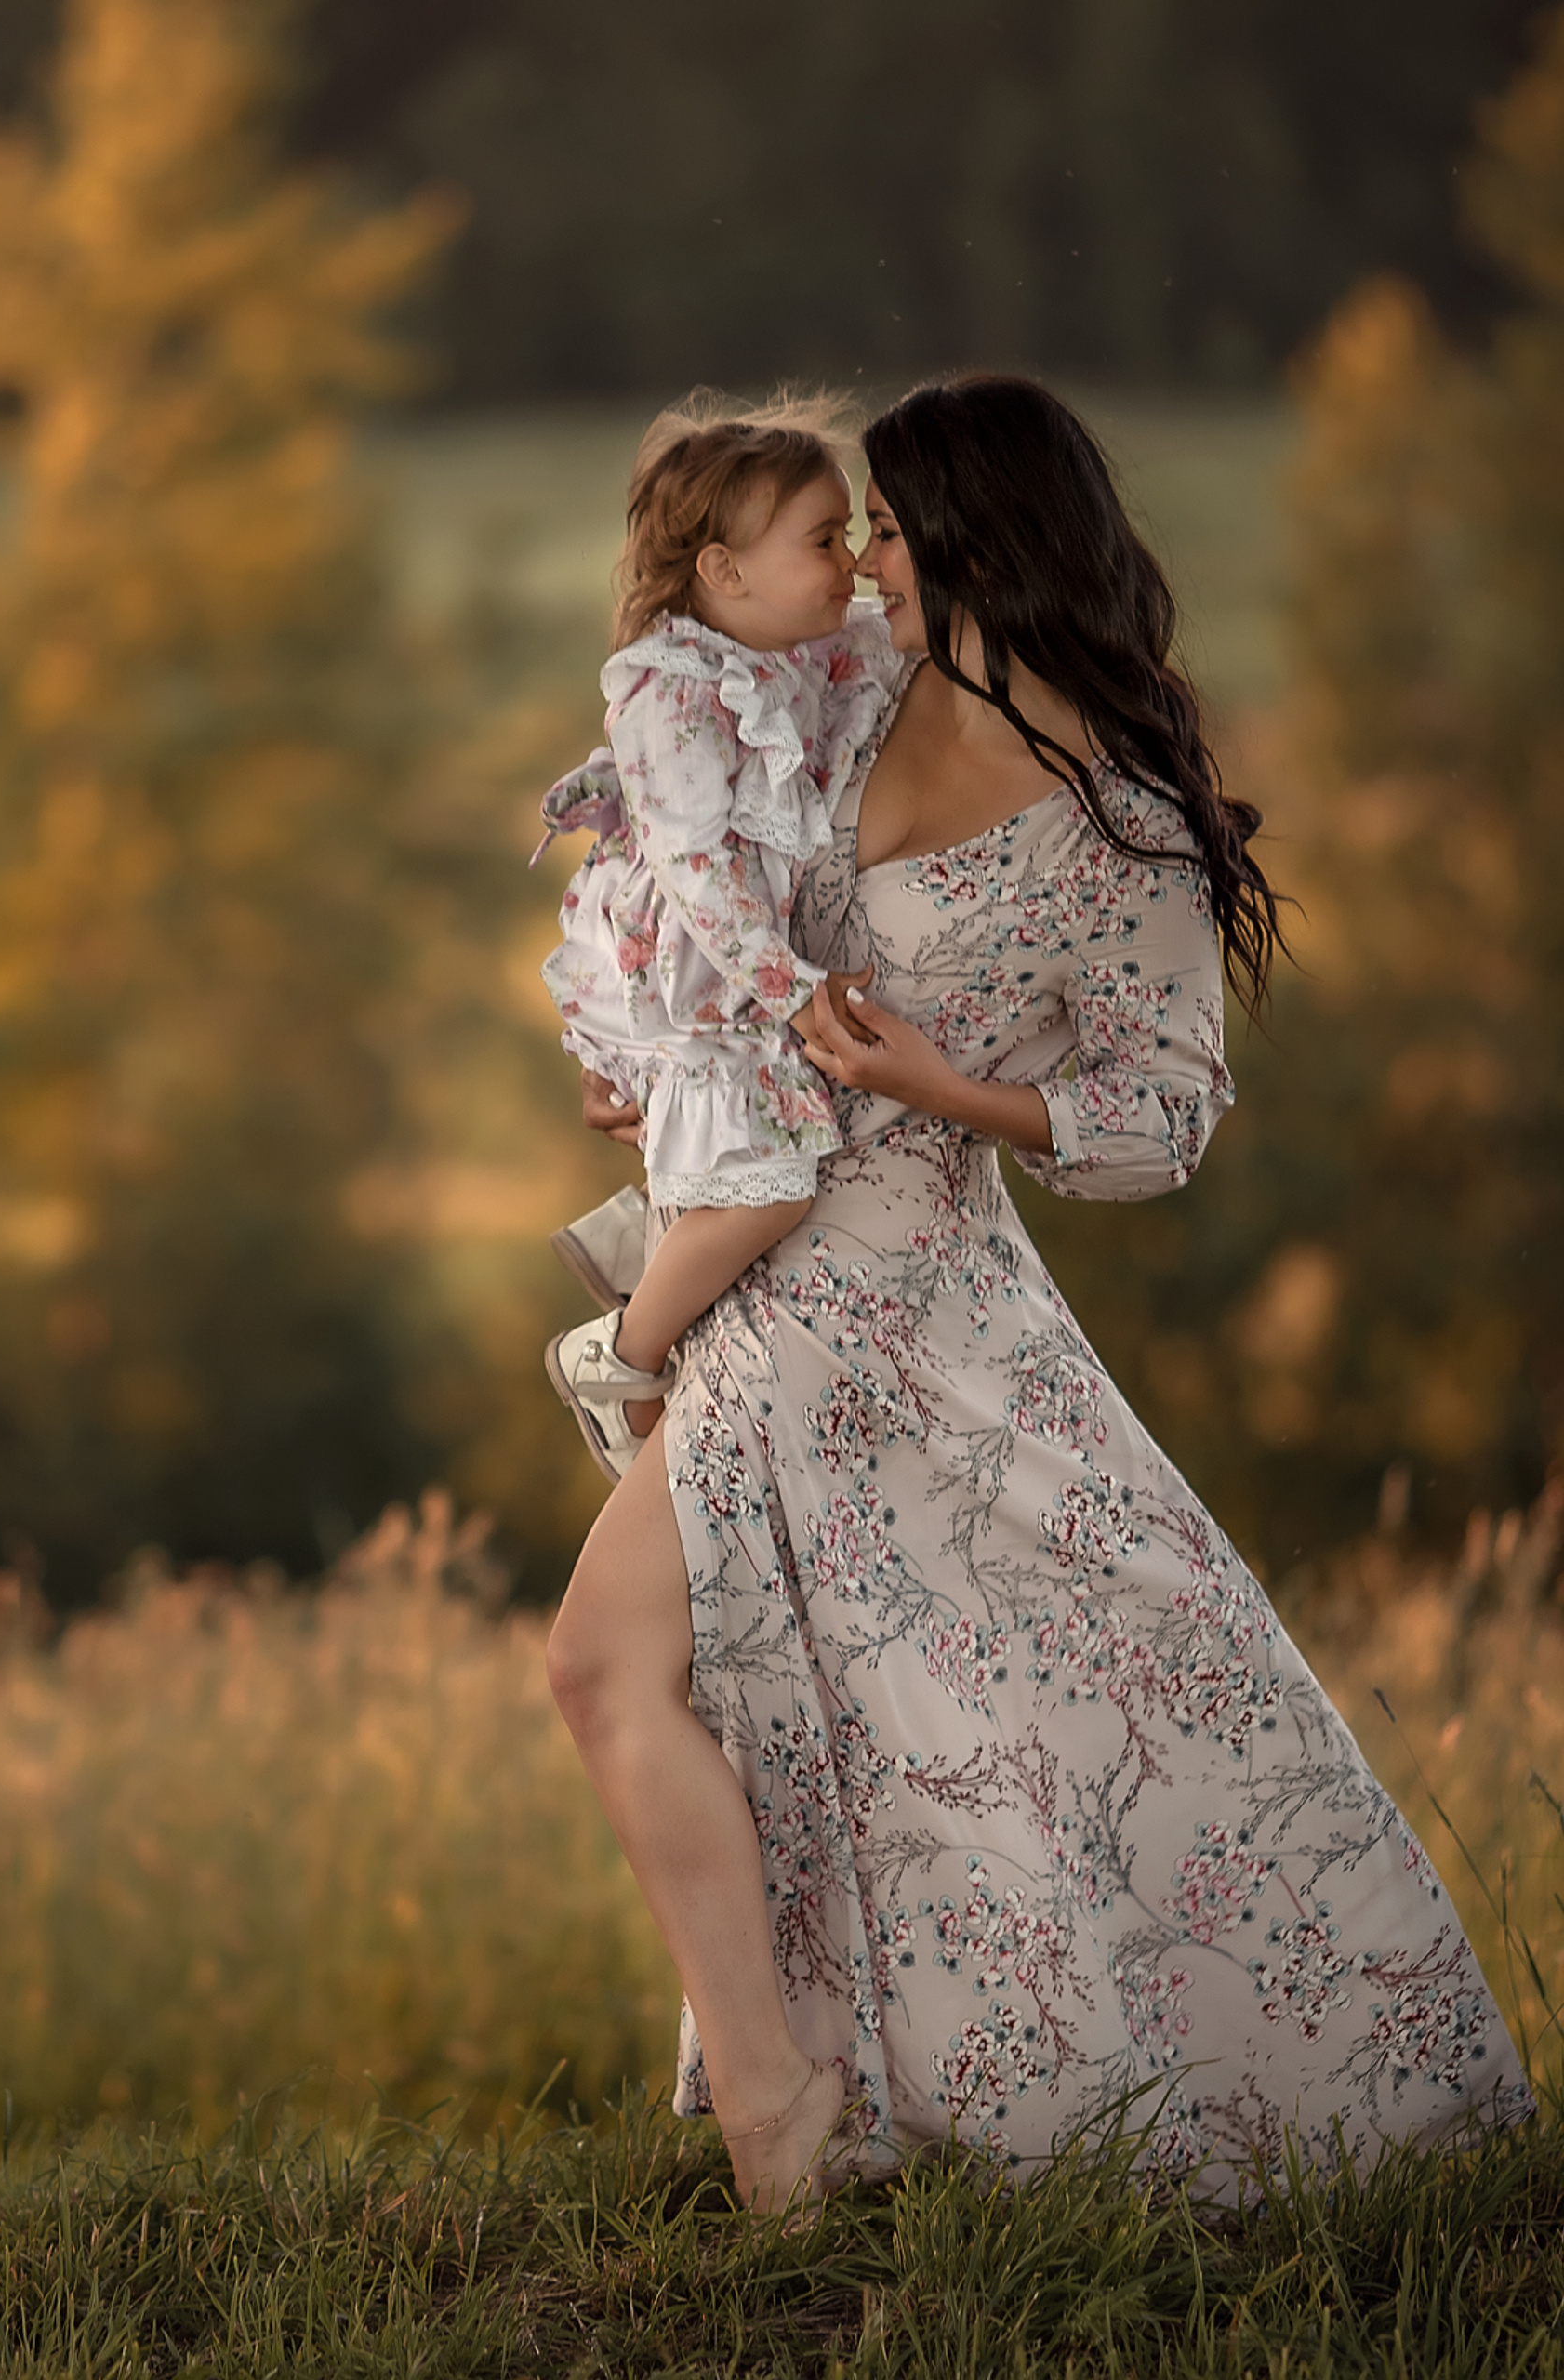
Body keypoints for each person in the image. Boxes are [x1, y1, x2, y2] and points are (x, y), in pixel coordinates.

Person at [546, 374, 1532, 2217]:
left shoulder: (1120, 825)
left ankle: (806, 2118)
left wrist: (944, 1086)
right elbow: (726, 908)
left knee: (928, 1710)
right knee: (749, 1691)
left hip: (910, 1293)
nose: (864, 566)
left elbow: (1156, 1120)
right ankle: (789, 2104)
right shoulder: (841, 704)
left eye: (895, 533)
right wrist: (660, 1049)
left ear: (980, 533)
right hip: (765, 1261)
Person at [537, 398, 901, 1479]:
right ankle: (619, 1352)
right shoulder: (669, 691)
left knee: (755, 1154)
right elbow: (695, 868)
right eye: (822, 540)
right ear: (722, 571)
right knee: (777, 1179)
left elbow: (901, 659)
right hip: (693, 966)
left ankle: (647, 1240)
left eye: (851, 535)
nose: (852, 565)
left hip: (730, 968)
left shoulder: (793, 650)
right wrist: (790, 989)